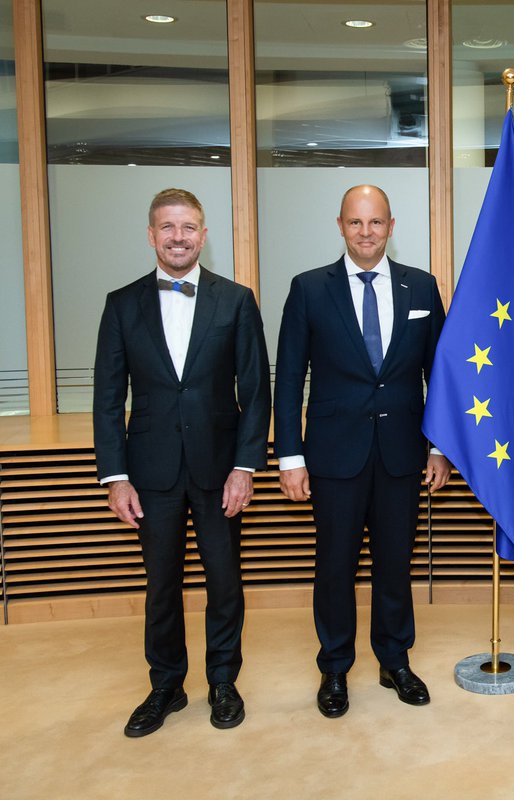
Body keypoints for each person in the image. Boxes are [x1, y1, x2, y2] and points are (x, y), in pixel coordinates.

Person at [93, 188, 271, 737]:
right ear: (151, 235)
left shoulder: (236, 300)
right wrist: (116, 477)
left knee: (225, 581)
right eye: (168, 227)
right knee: (161, 585)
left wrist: (245, 466)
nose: (178, 237)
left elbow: (256, 391)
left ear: (203, 234)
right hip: (150, 473)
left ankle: (223, 680)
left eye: (188, 227)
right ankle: (166, 685)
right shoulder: (121, 304)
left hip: (220, 471)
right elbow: (107, 398)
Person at [274, 184, 449, 718]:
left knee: (395, 563)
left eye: (375, 222)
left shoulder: (422, 286)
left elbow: (441, 376)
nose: (366, 232)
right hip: (333, 455)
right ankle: (334, 668)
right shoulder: (308, 289)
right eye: (356, 222)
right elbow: (289, 380)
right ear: (340, 226)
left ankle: (395, 660)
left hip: (402, 453)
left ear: (391, 226)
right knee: (335, 566)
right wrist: (290, 457)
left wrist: (438, 447)